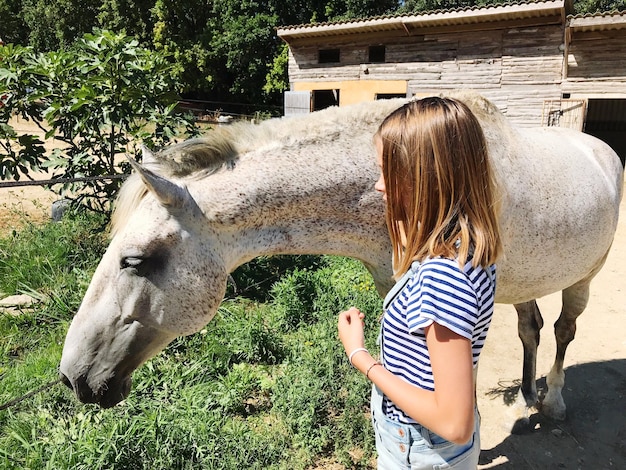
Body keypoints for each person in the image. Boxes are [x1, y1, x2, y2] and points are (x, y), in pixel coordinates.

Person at [338, 96, 502, 469]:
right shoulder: (468, 246)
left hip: (420, 448)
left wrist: (360, 357)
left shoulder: (441, 276)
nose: (379, 186)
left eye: (386, 171)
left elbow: (453, 422)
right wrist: (404, 214)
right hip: (434, 447)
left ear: (422, 177)